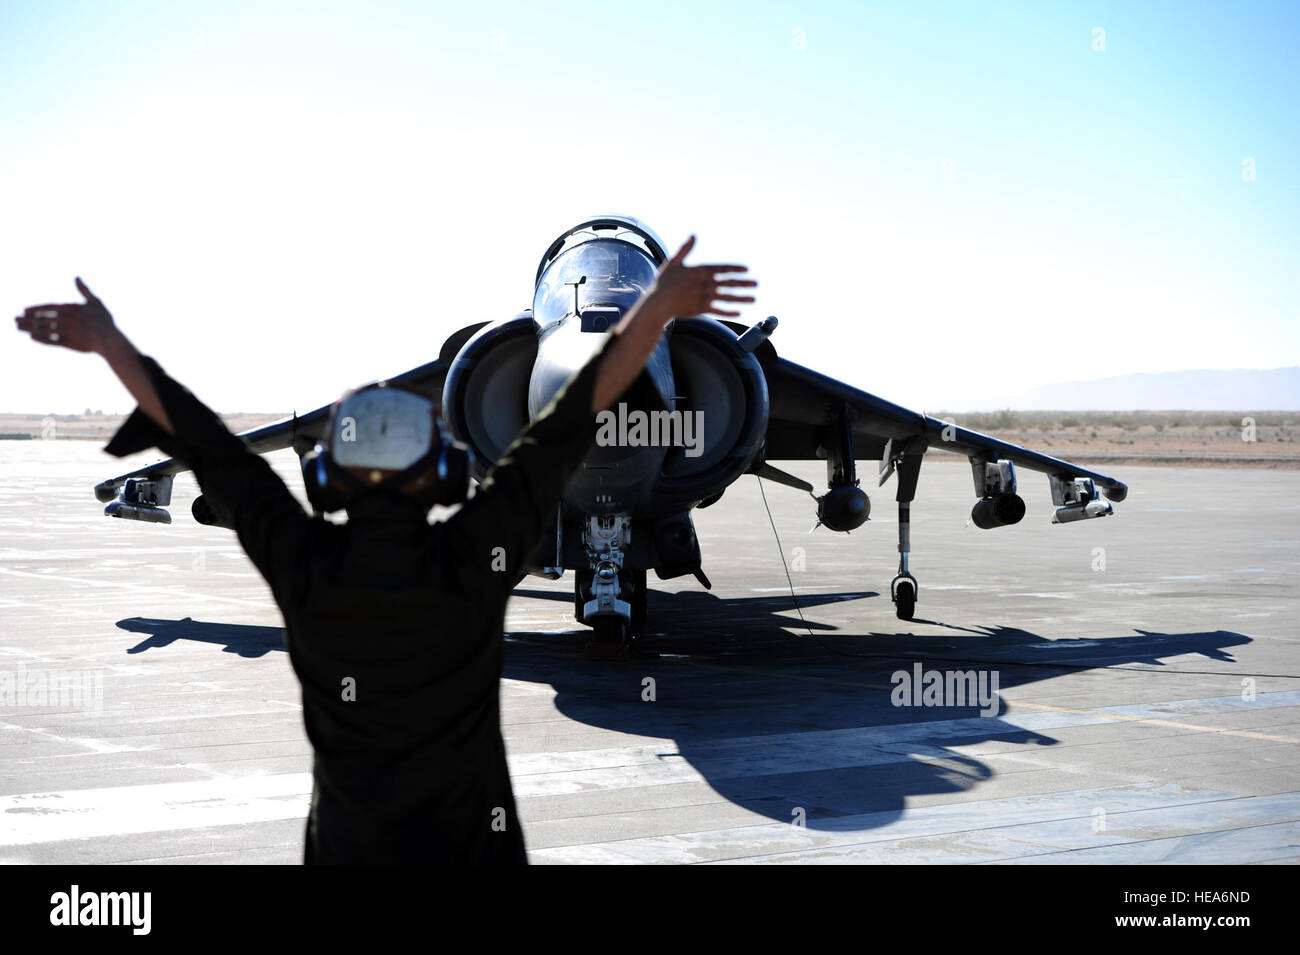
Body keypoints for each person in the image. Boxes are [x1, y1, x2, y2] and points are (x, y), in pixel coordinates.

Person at [15, 236, 755, 864]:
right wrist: (656, 311)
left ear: (329, 482)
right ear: (440, 475)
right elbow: (570, 421)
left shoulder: (303, 565)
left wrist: (110, 342)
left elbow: (209, 445)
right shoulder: (476, 556)